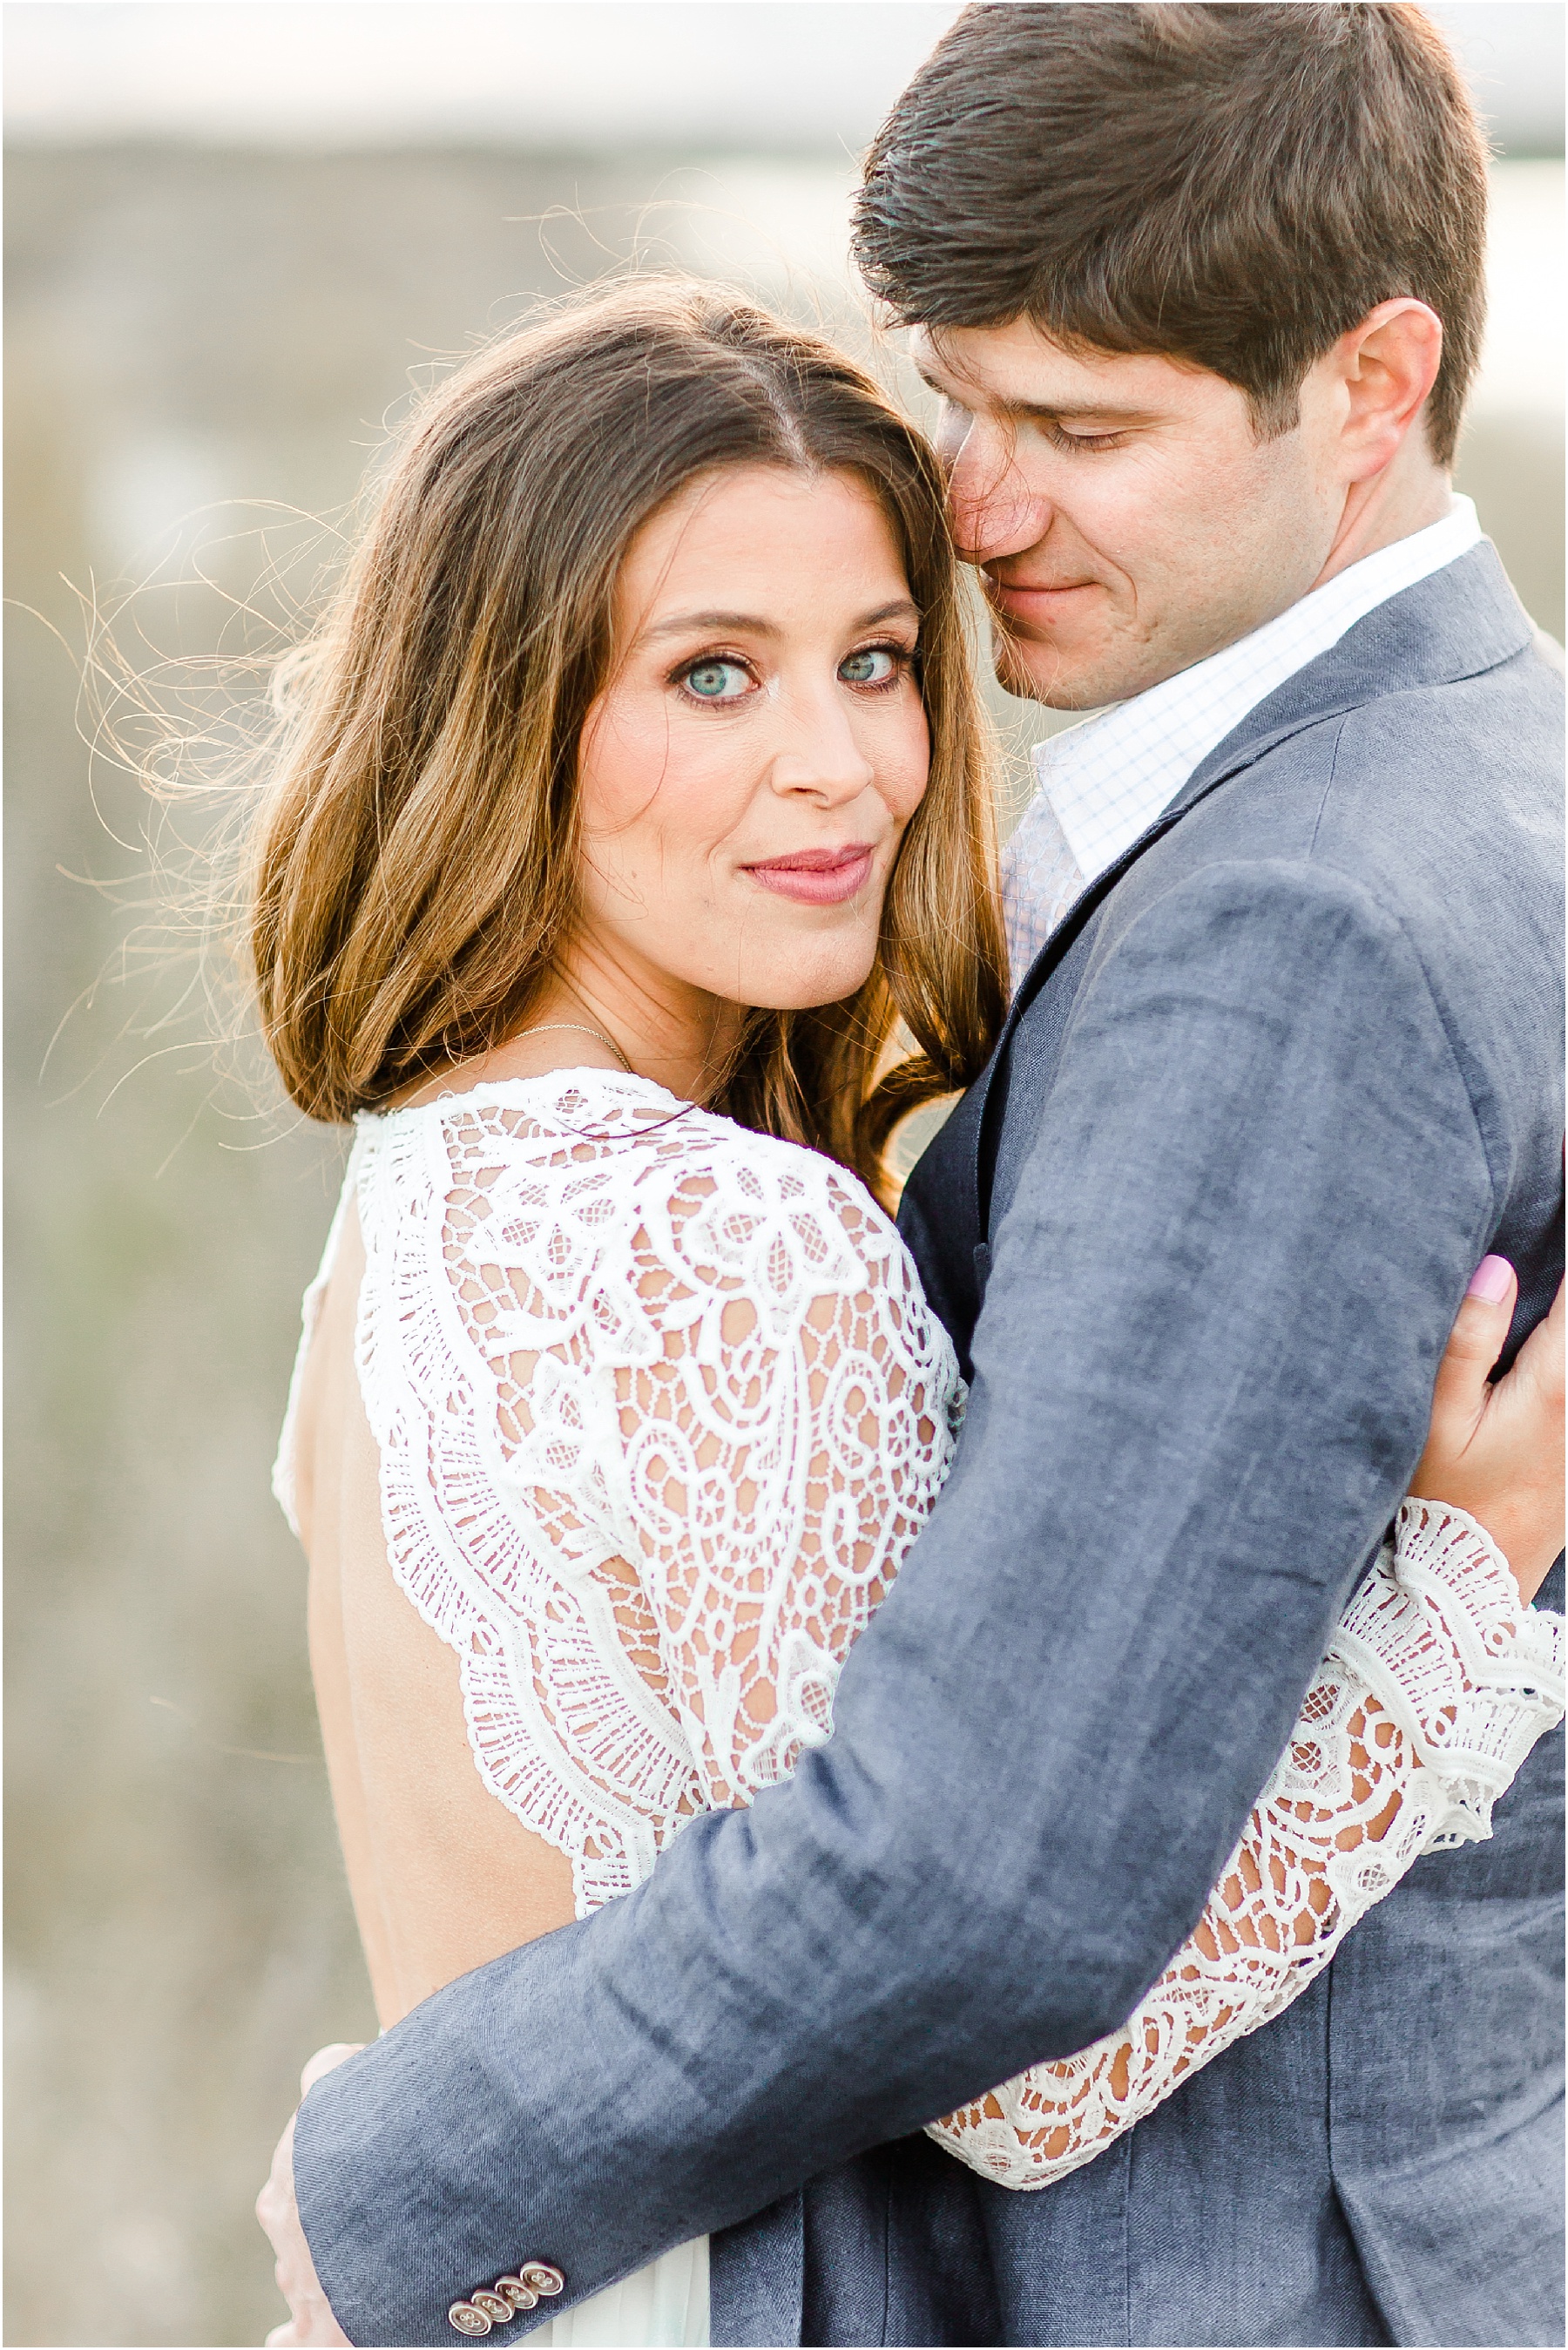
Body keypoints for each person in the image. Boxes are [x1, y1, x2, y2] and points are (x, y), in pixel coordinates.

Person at [262, 7, 1565, 2345]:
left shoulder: (430, 1188)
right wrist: (1459, 1590)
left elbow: (978, 1888)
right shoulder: (731, 1238)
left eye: (872, 661)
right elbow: (1002, 1953)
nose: (978, 509)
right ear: (512, 710)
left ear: (1374, 390)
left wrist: (409, 2196)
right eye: (716, 674)